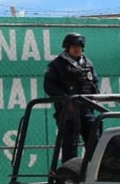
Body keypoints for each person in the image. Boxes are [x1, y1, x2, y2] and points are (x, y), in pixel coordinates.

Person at [43, 32, 100, 161]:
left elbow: (94, 82)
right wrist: (66, 99)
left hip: (87, 109)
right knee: (70, 143)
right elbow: (49, 86)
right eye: (74, 46)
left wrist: (95, 96)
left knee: (94, 140)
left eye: (79, 46)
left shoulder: (87, 64)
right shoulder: (57, 64)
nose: (77, 49)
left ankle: (95, 173)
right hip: (67, 111)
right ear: (67, 47)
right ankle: (69, 174)